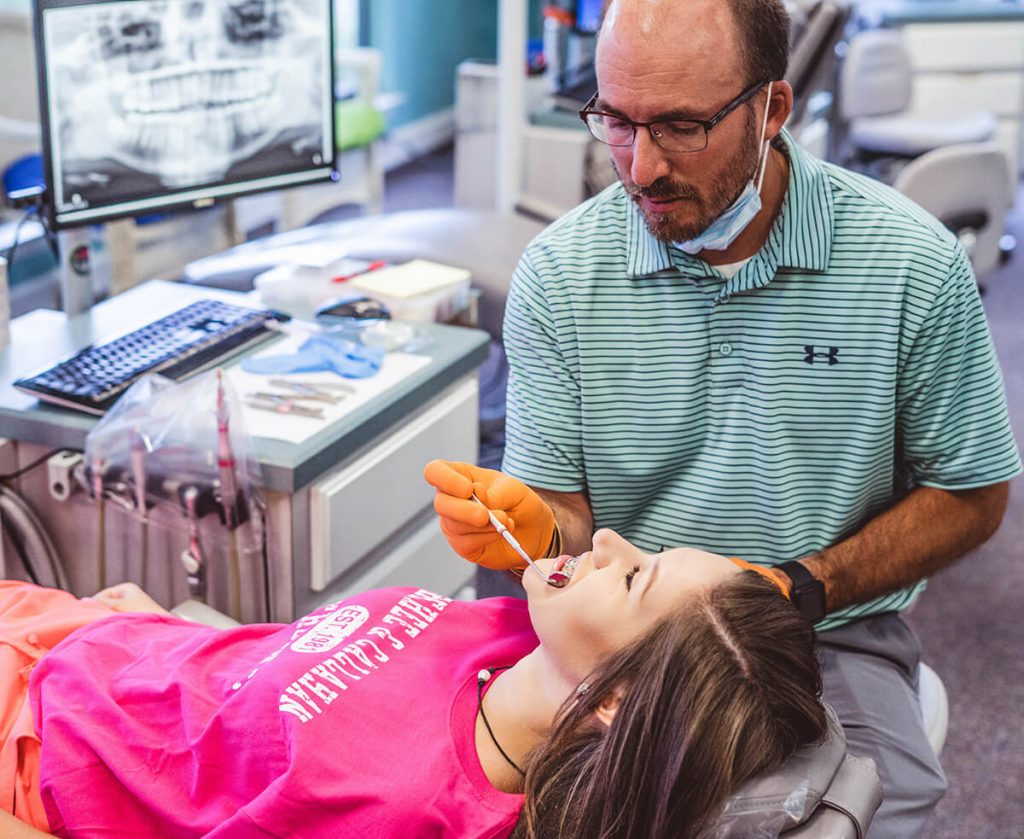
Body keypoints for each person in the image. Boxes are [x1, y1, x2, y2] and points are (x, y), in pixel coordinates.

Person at [426, 1, 1021, 837]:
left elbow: (972, 495)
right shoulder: (562, 277)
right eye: (617, 122)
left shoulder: (907, 264)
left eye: (680, 126)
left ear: (772, 109)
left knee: (853, 818)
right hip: (624, 645)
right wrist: (541, 522)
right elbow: (563, 522)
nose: (640, 167)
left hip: (823, 634)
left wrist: (799, 586)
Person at [0, 529, 826, 839]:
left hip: (42, 747)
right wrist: (176, 633)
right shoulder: (508, 633)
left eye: (636, 576)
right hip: (105, 640)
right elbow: (295, 686)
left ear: (610, 698)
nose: (607, 539)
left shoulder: (404, 808)